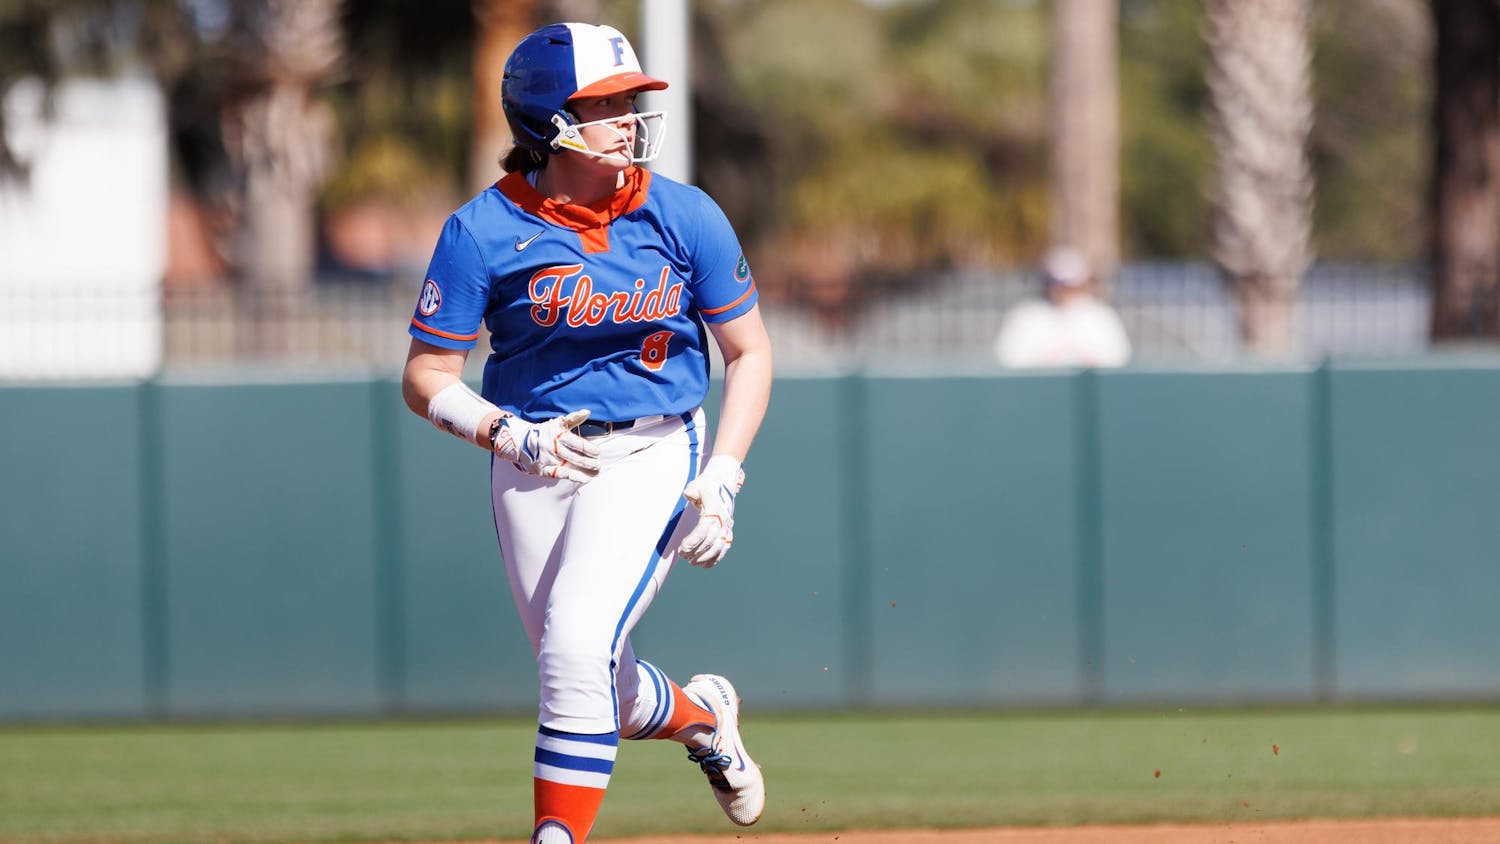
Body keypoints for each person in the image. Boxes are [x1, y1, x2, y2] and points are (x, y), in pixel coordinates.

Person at [398, 22, 773, 844]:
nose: (628, 118)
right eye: (604, 104)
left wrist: (722, 475)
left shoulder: (683, 213)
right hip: (531, 453)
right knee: (584, 670)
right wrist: (506, 435)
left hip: (649, 445)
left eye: (629, 101)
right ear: (548, 120)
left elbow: (749, 352)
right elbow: (425, 377)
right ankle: (703, 718)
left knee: (574, 651)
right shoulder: (482, 231)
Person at [993, 246, 1132, 368]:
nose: (1064, 291)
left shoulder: (1101, 316)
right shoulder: (1027, 316)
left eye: (1071, 286)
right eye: (1058, 285)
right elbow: (1009, 359)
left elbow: (1118, 359)